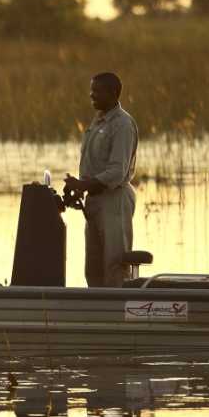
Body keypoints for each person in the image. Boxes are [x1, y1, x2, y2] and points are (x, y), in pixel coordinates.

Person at [63, 72, 138, 288]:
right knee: (93, 268)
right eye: (91, 90)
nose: (91, 95)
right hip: (94, 202)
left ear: (113, 93)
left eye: (97, 91)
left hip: (114, 200)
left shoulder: (122, 124)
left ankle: (118, 318)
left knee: (115, 266)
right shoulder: (98, 122)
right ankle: (97, 316)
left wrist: (84, 184)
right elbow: (94, 168)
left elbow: (116, 172)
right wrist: (78, 189)